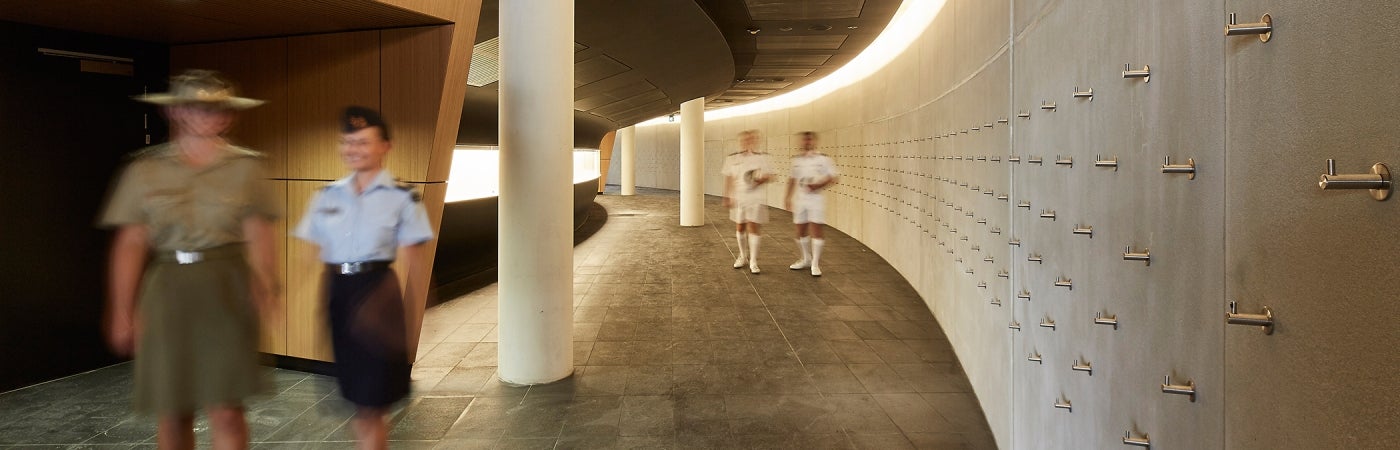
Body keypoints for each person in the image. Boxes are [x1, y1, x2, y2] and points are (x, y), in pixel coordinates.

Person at [100, 69, 281, 450]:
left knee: (227, 408)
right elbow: (131, 242)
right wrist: (121, 309)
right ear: (177, 112)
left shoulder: (247, 167)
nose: (211, 115)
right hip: (168, 288)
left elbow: (258, 233)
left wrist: (268, 287)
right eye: (199, 108)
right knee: (174, 408)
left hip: (226, 286)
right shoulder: (144, 169)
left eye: (220, 109)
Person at [294, 106, 433, 450]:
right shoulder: (326, 195)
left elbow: (414, 261)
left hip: (376, 296)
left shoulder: (402, 197)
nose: (352, 149)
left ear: (386, 145)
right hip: (337, 295)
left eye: (362, 142)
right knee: (359, 400)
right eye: (347, 142)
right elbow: (307, 252)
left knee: (372, 404)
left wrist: (418, 310)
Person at [785, 131, 839, 276]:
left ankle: (815, 264)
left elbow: (834, 178)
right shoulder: (796, 160)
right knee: (800, 230)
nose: (807, 142)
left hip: (816, 199)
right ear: (801, 142)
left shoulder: (823, 159)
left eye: (809, 140)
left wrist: (818, 185)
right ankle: (806, 258)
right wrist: (787, 197)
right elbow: (792, 179)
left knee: (816, 230)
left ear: (815, 141)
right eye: (804, 140)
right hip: (800, 199)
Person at [721, 129, 772, 273]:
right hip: (739, 198)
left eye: (751, 139)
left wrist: (761, 180)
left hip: (756, 198)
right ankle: (742, 256)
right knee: (740, 227)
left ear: (756, 141)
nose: (748, 142)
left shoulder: (762, 158)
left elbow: (771, 176)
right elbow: (729, 178)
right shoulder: (732, 158)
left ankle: (754, 262)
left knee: (754, 227)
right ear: (740, 141)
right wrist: (726, 196)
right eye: (745, 140)